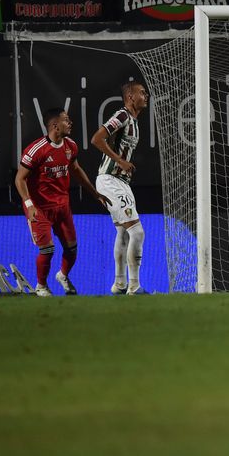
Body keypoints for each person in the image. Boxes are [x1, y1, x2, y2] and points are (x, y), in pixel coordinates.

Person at [14, 109, 109, 296]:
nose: (70, 122)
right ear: (55, 126)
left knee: (72, 250)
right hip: (39, 208)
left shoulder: (70, 146)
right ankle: (41, 286)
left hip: (62, 206)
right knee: (47, 250)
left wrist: (95, 193)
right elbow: (19, 179)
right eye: (66, 120)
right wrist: (29, 204)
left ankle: (63, 275)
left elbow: (76, 169)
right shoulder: (36, 150)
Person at [91, 80, 150, 295]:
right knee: (137, 232)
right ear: (130, 97)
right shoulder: (122, 115)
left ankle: (119, 285)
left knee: (123, 233)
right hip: (109, 180)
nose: (146, 96)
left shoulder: (135, 121)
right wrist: (119, 160)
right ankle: (134, 286)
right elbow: (97, 138)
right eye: (142, 92)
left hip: (121, 182)